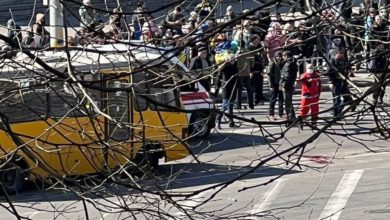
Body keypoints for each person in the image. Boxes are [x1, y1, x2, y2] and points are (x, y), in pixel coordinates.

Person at [326, 49, 353, 116]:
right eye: (340, 54)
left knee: (346, 98)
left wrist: (350, 71)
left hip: (343, 81)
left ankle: (339, 110)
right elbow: (328, 73)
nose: (341, 55)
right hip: (335, 82)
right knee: (337, 99)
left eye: (342, 54)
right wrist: (330, 82)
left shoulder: (344, 60)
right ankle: (336, 113)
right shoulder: (332, 61)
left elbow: (347, 68)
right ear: (336, 54)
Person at [216, 53, 239, 128]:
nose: (233, 60)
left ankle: (231, 122)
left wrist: (238, 86)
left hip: (233, 88)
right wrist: (217, 87)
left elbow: (237, 77)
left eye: (233, 59)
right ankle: (218, 119)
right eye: (231, 59)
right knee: (225, 106)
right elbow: (218, 77)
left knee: (231, 107)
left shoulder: (235, 66)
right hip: (226, 88)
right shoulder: (224, 68)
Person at [280, 50, 298, 124]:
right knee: (289, 102)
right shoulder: (293, 63)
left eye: (284, 56)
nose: (283, 58)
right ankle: (292, 117)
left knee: (287, 102)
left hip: (287, 85)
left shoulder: (288, 64)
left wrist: (283, 86)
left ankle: (290, 118)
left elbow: (286, 76)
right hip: (290, 84)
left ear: (286, 56)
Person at [268, 51, 285, 121]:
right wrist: (270, 85)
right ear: (275, 56)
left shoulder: (282, 63)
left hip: (280, 83)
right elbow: (269, 74)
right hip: (274, 83)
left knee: (281, 98)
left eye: (280, 56)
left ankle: (281, 113)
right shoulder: (272, 63)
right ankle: (271, 114)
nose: (279, 58)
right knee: (273, 99)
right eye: (277, 56)